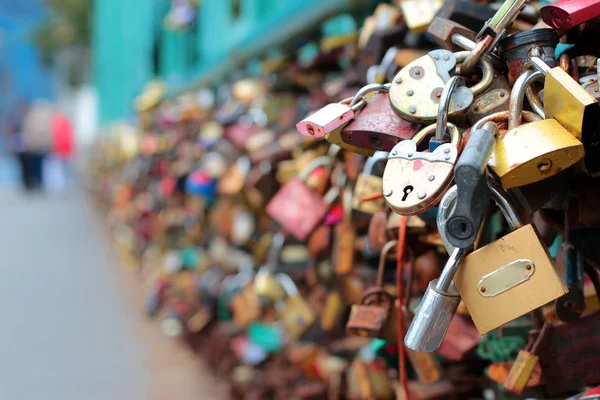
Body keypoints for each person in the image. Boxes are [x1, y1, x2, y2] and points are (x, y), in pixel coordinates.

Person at [22, 100, 54, 190]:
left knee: (39, 166)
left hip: (38, 148)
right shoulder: (33, 120)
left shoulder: (40, 121)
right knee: (36, 166)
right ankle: (37, 182)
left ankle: (38, 182)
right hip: (35, 148)